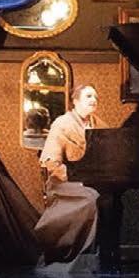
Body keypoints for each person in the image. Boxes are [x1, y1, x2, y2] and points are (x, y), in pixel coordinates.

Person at [32, 84, 103, 265]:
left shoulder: (99, 124)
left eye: (95, 96)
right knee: (92, 198)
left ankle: (102, 254)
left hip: (91, 181)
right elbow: (51, 162)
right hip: (63, 183)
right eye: (88, 96)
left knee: (109, 196)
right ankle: (77, 255)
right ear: (75, 101)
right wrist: (76, 177)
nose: (94, 100)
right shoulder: (62, 124)